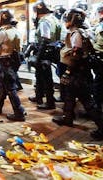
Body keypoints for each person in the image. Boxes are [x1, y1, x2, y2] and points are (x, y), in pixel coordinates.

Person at [52, 8, 103, 140]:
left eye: (68, 19)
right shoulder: (82, 31)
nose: (66, 21)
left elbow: (76, 54)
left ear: (72, 20)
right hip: (81, 71)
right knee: (69, 96)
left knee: (86, 100)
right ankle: (67, 118)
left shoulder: (76, 34)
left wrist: (68, 72)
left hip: (77, 72)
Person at [0, 9, 25, 121]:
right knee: (4, 85)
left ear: (2, 19)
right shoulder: (16, 31)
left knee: (10, 88)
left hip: (5, 62)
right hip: (14, 62)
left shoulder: (3, 32)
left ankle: (19, 112)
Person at [29, 1, 61, 110]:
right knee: (41, 76)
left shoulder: (44, 21)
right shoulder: (54, 19)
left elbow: (45, 38)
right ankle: (39, 96)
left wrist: (38, 57)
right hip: (52, 51)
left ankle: (49, 102)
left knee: (45, 77)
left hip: (44, 52)